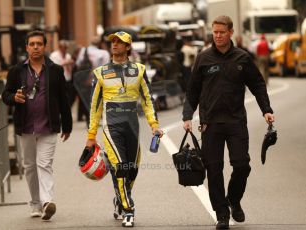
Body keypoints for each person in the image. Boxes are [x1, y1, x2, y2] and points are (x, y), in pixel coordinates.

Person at [182, 16, 275, 229]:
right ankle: (222, 213)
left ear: (231, 32)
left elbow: (258, 85)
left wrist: (266, 110)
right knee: (214, 169)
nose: (217, 35)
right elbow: (192, 90)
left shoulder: (242, 58)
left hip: (236, 122)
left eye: (221, 32)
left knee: (242, 165)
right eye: (214, 32)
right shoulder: (203, 58)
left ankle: (234, 199)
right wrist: (188, 115)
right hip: (210, 123)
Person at [85, 31, 163, 227]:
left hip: (132, 126)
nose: (115, 44)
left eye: (120, 42)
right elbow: (95, 106)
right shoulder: (100, 72)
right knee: (120, 167)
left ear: (128, 47)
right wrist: (91, 135)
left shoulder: (139, 70)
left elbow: (147, 99)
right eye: (113, 41)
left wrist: (154, 125)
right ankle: (129, 210)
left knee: (132, 169)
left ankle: (120, 199)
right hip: (111, 127)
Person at [1, 30, 72, 221]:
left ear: (45, 47)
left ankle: (48, 201)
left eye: (39, 44)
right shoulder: (17, 71)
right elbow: (5, 95)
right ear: (26, 47)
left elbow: (64, 100)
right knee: (30, 166)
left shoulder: (55, 70)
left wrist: (67, 125)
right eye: (31, 44)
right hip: (26, 126)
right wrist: (13, 98)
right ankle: (35, 203)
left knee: (44, 163)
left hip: (48, 126)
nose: (35, 47)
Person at [75, 36, 111, 127]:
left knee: (88, 99)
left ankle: (90, 121)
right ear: (100, 43)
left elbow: (78, 63)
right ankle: (99, 119)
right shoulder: (104, 53)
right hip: (99, 79)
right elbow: (106, 67)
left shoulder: (84, 50)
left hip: (86, 79)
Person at [50, 40, 76, 106]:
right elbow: (53, 67)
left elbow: (71, 67)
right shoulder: (54, 55)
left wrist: (72, 64)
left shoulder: (68, 55)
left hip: (68, 78)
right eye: (63, 47)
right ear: (60, 47)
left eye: (66, 47)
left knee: (70, 97)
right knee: (60, 97)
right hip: (58, 79)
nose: (65, 49)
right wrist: (65, 63)